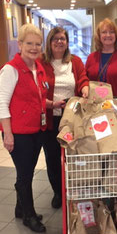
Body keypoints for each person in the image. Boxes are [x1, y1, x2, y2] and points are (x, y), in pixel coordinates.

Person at [0, 24, 47, 232]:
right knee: (25, 175)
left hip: (36, 130)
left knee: (25, 172)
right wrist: (8, 135)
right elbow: (2, 104)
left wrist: (52, 104)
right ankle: (29, 216)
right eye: (29, 43)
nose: (34, 48)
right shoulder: (10, 69)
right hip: (18, 133)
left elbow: (37, 97)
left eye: (37, 44)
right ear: (19, 45)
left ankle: (20, 208)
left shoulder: (38, 67)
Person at [40, 27, 89, 209]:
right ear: (50, 42)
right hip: (51, 119)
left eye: (63, 38)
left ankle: (75, 189)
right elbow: (36, 88)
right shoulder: (41, 62)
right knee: (52, 158)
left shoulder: (74, 61)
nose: (59, 42)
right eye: (56, 39)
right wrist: (51, 103)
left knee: (73, 155)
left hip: (72, 119)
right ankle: (58, 192)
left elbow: (83, 78)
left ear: (67, 42)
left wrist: (84, 88)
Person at [85, 18, 117, 118]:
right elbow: (84, 81)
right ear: (99, 36)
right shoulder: (91, 58)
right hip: (95, 111)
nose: (108, 35)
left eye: (111, 32)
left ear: (116, 36)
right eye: (104, 32)